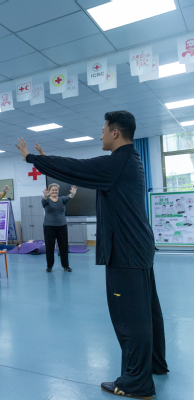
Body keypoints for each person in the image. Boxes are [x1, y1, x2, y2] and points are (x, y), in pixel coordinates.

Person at [15, 110, 168, 399]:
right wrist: (48, 162)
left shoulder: (118, 162)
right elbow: (76, 171)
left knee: (130, 318)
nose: (100, 135)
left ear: (115, 133)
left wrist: (32, 158)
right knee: (147, 311)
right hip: (137, 247)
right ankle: (154, 364)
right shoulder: (131, 160)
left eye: (103, 130)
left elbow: (77, 167)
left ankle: (136, 383)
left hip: (126, 251)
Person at [42, 183, 77, 273]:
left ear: (58, 191)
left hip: (62, 226)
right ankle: (49, 266)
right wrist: (45, 196)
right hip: (49, 227)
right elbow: (43, 201)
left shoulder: (62, 199)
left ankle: (66, 266)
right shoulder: (46, 200)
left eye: (56, 190)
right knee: (49, 247)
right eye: (53, 190)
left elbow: (69, 197)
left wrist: (73, 193)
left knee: (63, 247)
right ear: (49, 191)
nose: (55, 191)